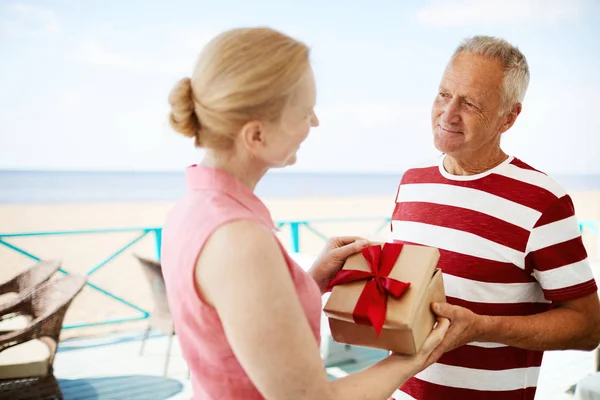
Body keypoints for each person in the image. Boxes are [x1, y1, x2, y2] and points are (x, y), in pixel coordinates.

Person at [160, 27, 449, 400]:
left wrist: (312, 282)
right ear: (256, 136)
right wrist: (414, 357)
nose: (314, 123)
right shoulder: (239, 239)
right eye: (304, 111)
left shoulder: (190, 209)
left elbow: (241, 327)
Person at [389, 35, 600, 400]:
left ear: (509, 117)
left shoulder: (542, 200)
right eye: (443, 95)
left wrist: (481, 328)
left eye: (470, 103)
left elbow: (588, 327)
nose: (448, 114)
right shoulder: (412, 183)